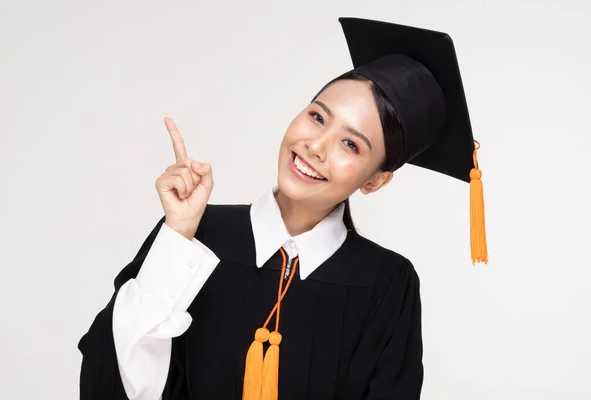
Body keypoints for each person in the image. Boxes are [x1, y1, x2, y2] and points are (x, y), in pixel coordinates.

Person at [78, 17, 487, 400]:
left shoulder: (385, 283)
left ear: (374, 180)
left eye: (351, 144)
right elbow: (107, 384)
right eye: (317, 117)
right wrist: (177, 237)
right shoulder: (194, 236)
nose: (316, 145)